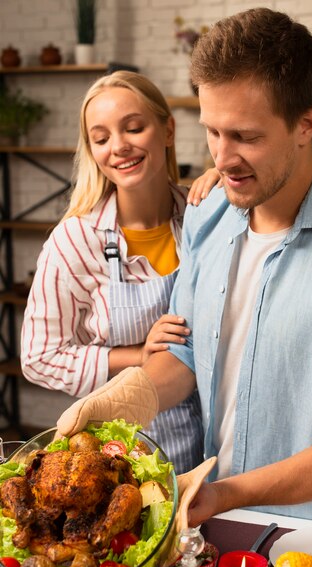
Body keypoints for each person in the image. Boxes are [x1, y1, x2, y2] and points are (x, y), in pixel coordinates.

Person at [57, 10, 312, 529]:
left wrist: (223, 494)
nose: (222, 158)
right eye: (212, 132)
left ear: (306, 123)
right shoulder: (208, 216)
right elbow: (186, 348)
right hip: (213, 524)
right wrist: (125, 398)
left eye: (245, 137)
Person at [21, 70, 220, 474]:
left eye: (133, 128)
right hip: (124, 450)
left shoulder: (205, 216)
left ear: (167, 129)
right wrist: (136, 355)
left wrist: (227, 178)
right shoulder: (75, 240)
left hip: (217, 442)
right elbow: (38, 357)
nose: (119, 147)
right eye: (101, 138)